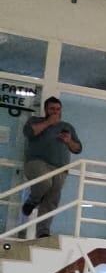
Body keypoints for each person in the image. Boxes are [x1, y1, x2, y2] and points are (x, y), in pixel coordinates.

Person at [19, 96, 80, 238]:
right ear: (46, 109)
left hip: (60, 168)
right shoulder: (35, 121)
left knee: (51, 199)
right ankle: (33, 200)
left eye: (58, 109)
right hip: (37, 162)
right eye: (52, 109)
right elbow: (29, 132)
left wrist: (69, 141)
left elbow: (77, 149)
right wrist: (48, 123)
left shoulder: (67, 127)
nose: (55, 112)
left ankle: (43, 232)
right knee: (44, 182)